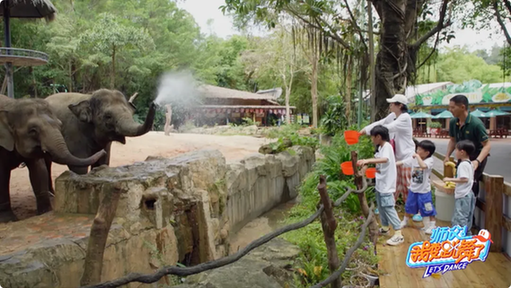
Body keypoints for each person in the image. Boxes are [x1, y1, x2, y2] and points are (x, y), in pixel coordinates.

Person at [360, 94, 418, 219]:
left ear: (400, 105)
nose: (390, 106)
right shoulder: (393, 116)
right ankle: (387, 207)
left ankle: (415, 211)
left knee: (408, 185)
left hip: (406, 157)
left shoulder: (405, 118)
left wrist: (371, 131)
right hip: (396, 157)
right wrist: (364, 130)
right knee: (394, 183)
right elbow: (381, 122)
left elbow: (386, 128)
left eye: (392, 104)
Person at [444, 95, 491, 230]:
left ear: (462, 107)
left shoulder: (476, 123)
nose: (450, 110)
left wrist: (477, 161)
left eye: (453, 107)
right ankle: (462, 220)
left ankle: (467, 221)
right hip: (462, 157)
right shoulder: (454, 122)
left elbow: (487, 145)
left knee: (470, 186)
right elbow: (453, 140)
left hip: (476, 157)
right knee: (462, 185)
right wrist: (447, 155)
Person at [357, 125, 404, 246]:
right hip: (381, 183)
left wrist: (367, 161)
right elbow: (378, 161)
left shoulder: (387, 146)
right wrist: (366, 165)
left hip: (387, 185)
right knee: (382, 207)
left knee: (388, 207)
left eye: (372, 137)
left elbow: (385, 160)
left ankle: (398, 233)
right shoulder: (380, 148)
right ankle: (384, 227)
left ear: (378, 136)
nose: (372, 140)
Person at [396, 140, 437, 234]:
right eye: (417, 149)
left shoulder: (429, 160)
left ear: (427, 153)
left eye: (420, 150)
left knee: (427, 207)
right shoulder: (414, 159)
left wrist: (418, 157)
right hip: (413, 189)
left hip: (424, 191)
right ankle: (405, 221)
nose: (417, 151)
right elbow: (402, 162)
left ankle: (432, 225)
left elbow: (423, 166)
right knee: (408, 205)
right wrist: (391, 165)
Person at [442, 140, 476, 235]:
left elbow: (464, 179)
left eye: (456, 150)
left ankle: (460, 238)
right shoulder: (469, 163)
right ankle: (466, 237)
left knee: (460, 217)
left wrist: (449, 179)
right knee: (466, 217)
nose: (455, 152)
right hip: (468, 193)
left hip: (463, 195)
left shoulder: (463, 164)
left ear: (462, 152)